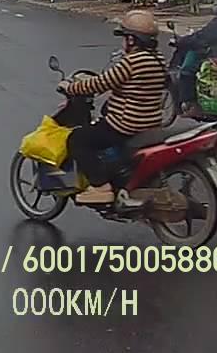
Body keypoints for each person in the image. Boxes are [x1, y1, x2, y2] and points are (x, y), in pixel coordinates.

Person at [62, 10, 169, 206]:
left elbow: (101, 83)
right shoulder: (158, 60)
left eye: (124, 38)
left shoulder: (131, 62)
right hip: (151, 123)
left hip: (126, 124)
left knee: (77, 139)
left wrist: (71, 87)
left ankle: (101, 186)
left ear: (131, 40)